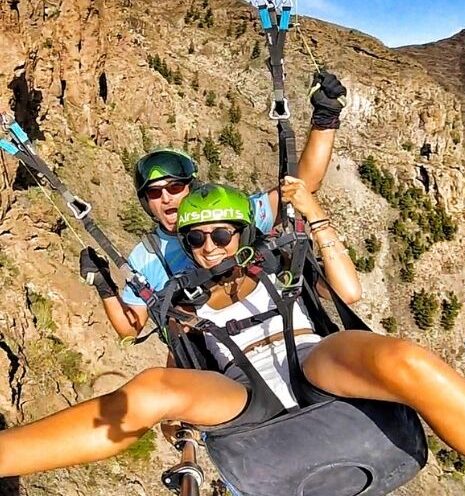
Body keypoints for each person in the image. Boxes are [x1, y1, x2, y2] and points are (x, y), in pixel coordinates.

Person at [1, 179, 465, 487]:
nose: (209, 247)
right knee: (152, 390)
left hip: (313, 361)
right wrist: (174, 419)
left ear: (244, 235)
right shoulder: (183, 296)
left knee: (405, 362)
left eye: (221, 234)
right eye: (196, 238)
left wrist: (314, 211)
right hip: (238, 391)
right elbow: (174, 380)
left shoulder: (279, 265)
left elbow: (350, 291)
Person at [79, 71, 348, 341]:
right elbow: (131, 328)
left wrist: (325, 121)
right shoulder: (147, 256)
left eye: (175, 188)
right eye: (155, 193)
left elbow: (301, 186)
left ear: (190, 188)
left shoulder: (231, 214)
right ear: (146, 202)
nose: (166, 198)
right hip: (213, 351)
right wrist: (104, 287)